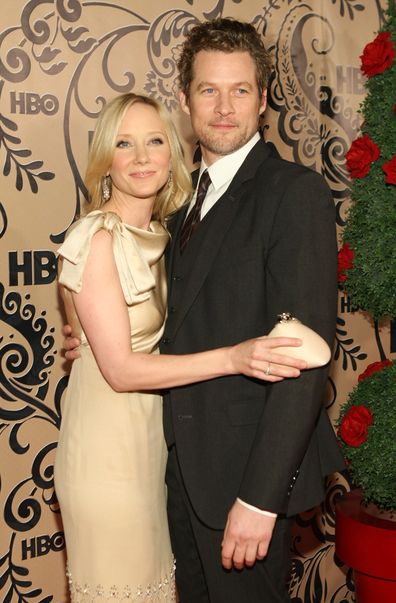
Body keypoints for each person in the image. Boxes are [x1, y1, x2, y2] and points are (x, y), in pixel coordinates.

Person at [55, 92, 307, 602]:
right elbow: (121, 371)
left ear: (173, 151)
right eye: (125, 144)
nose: (143, 157)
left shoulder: (167, 230)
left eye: (154, 141)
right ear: (106, 158)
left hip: (158, 451)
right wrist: (234, 358)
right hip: (109, 456)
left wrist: (76, 329)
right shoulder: (97, 236)